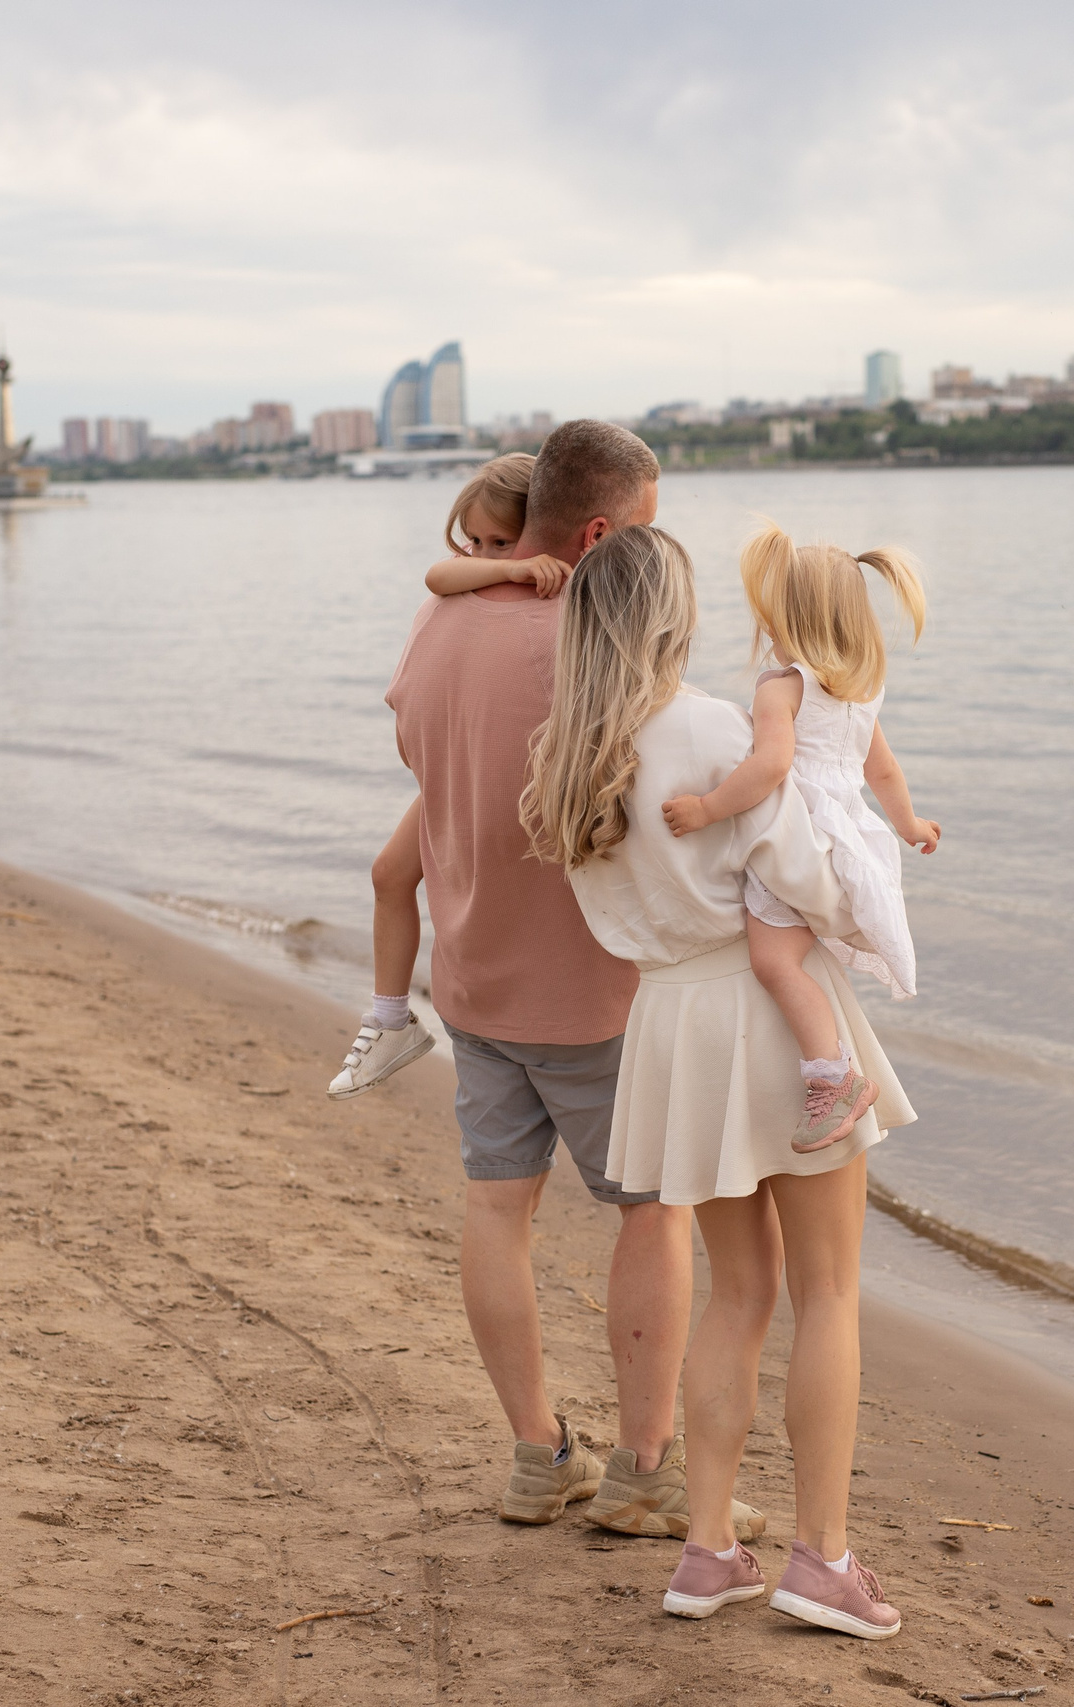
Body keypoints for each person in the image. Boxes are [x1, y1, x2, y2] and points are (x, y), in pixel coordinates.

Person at [524, 523, 916, 1640]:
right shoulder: (711, 728)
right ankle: (822, 1558)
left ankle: (705, 1551)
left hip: (672, 1024)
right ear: (673, 617)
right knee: (827, 1291)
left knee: (737, 1293)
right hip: (767, 1015)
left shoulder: (568, 752)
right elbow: (806, 878)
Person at [380, 424, 760, 1544]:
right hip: (595, 996)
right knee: (653, 1212)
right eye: (645, 532)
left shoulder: (437, 622)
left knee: (497, 1208)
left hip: (472, 975)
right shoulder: (599, 646)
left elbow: (426, 769)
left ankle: (536, 1457)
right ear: (600, 534)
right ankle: (644, 1473)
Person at [660, 523, 939, 1152]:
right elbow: (882, 771)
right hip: (849, 845)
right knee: (798, 954)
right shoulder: (862, 690)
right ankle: (834, 1070)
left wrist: (707, 808)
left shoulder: (781, 687)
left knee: (774, 964)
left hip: (798, 841)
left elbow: (770, 767)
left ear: (789, 619)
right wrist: (910, 826)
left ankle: (834, 1078)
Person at [329, 453, 544, 1102]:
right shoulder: (481, 577)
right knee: (388, 874)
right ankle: (390, 1018)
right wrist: (509, 566)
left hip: (509, 778)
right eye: (474, 540)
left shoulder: (564, 591)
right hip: (457, 775)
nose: (482, 554)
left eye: (501, 540)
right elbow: (437, 574)